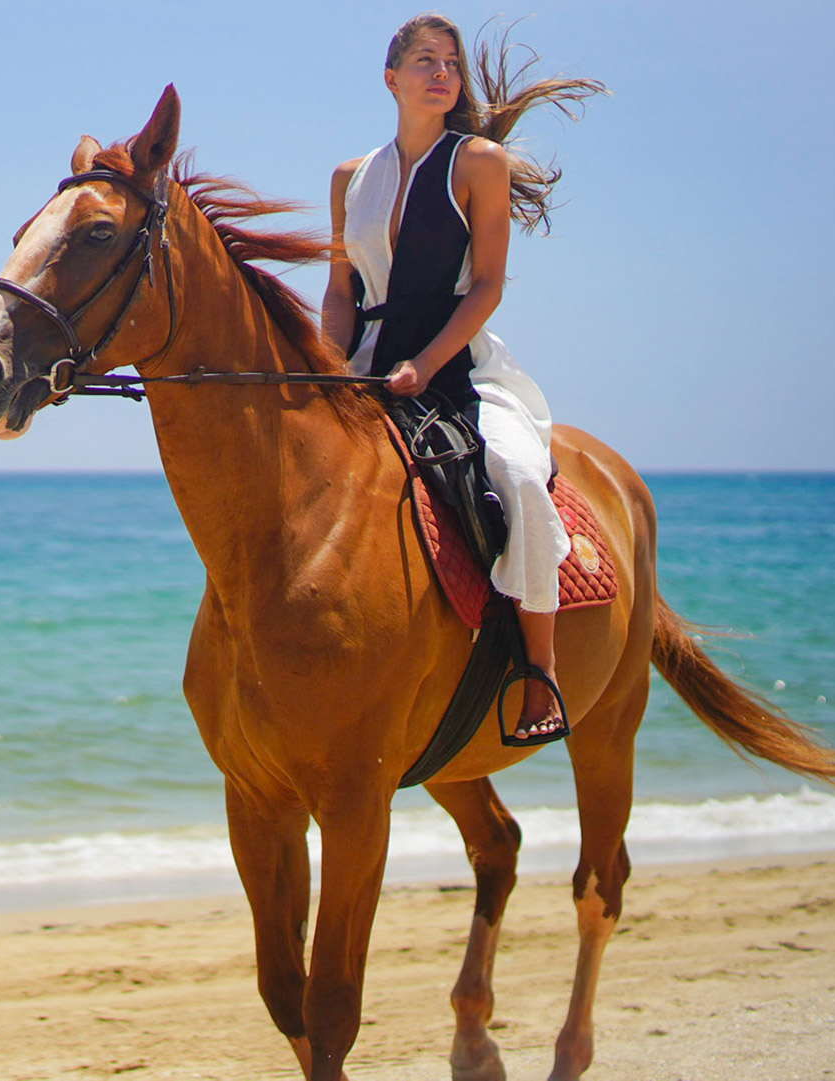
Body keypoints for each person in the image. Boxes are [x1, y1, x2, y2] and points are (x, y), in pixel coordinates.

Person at [322, 15, 604, 743]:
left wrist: (427, 362)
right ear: (392, 79)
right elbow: (338, 291)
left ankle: (538, 672)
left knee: (514, 475)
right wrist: (327, 367)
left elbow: (485, 286)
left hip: (460, 372)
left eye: (451, 63)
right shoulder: (350, 179)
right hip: (365, 369)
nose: (442, 73)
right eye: (425, 61)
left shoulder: (478, 162)